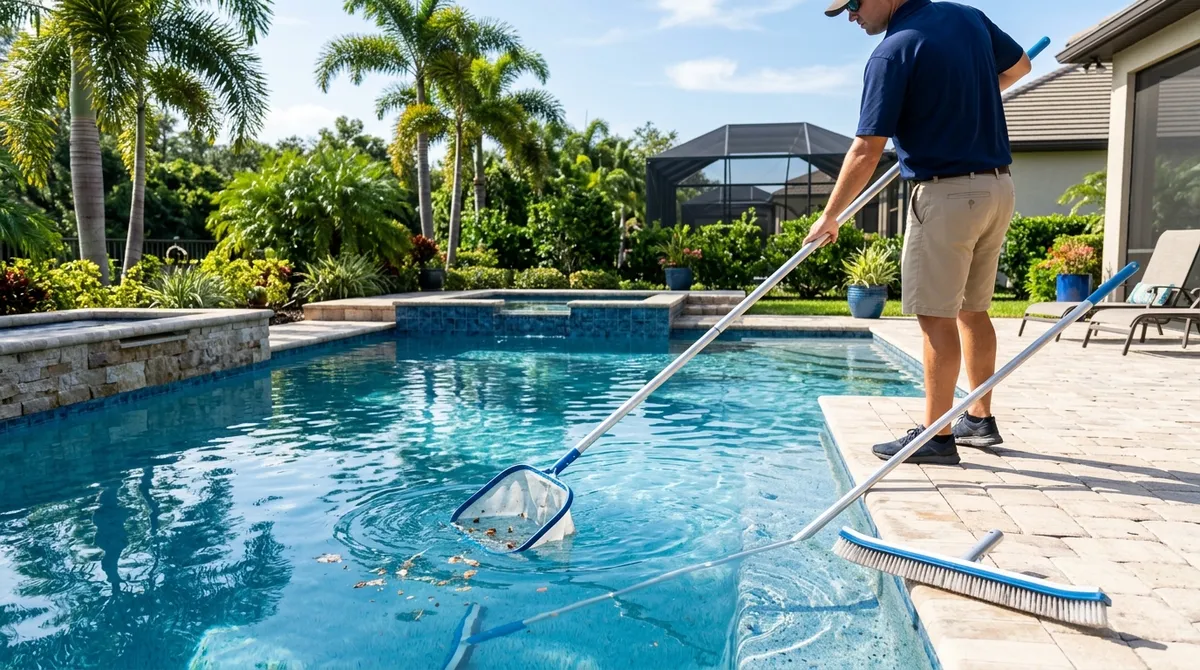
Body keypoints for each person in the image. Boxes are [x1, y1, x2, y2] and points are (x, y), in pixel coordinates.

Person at [806, 0, 1032, 465]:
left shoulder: (893, 52)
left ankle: (937, 436)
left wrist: (830, 216)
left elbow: (867, 149)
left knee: (935, 316)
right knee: (973, 310)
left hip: (946, 195)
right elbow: (1020, 67)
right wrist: (961, 99)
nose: (851, 15)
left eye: (853, 4)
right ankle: (980, 420)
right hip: (998, 188)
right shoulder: (966, 16)